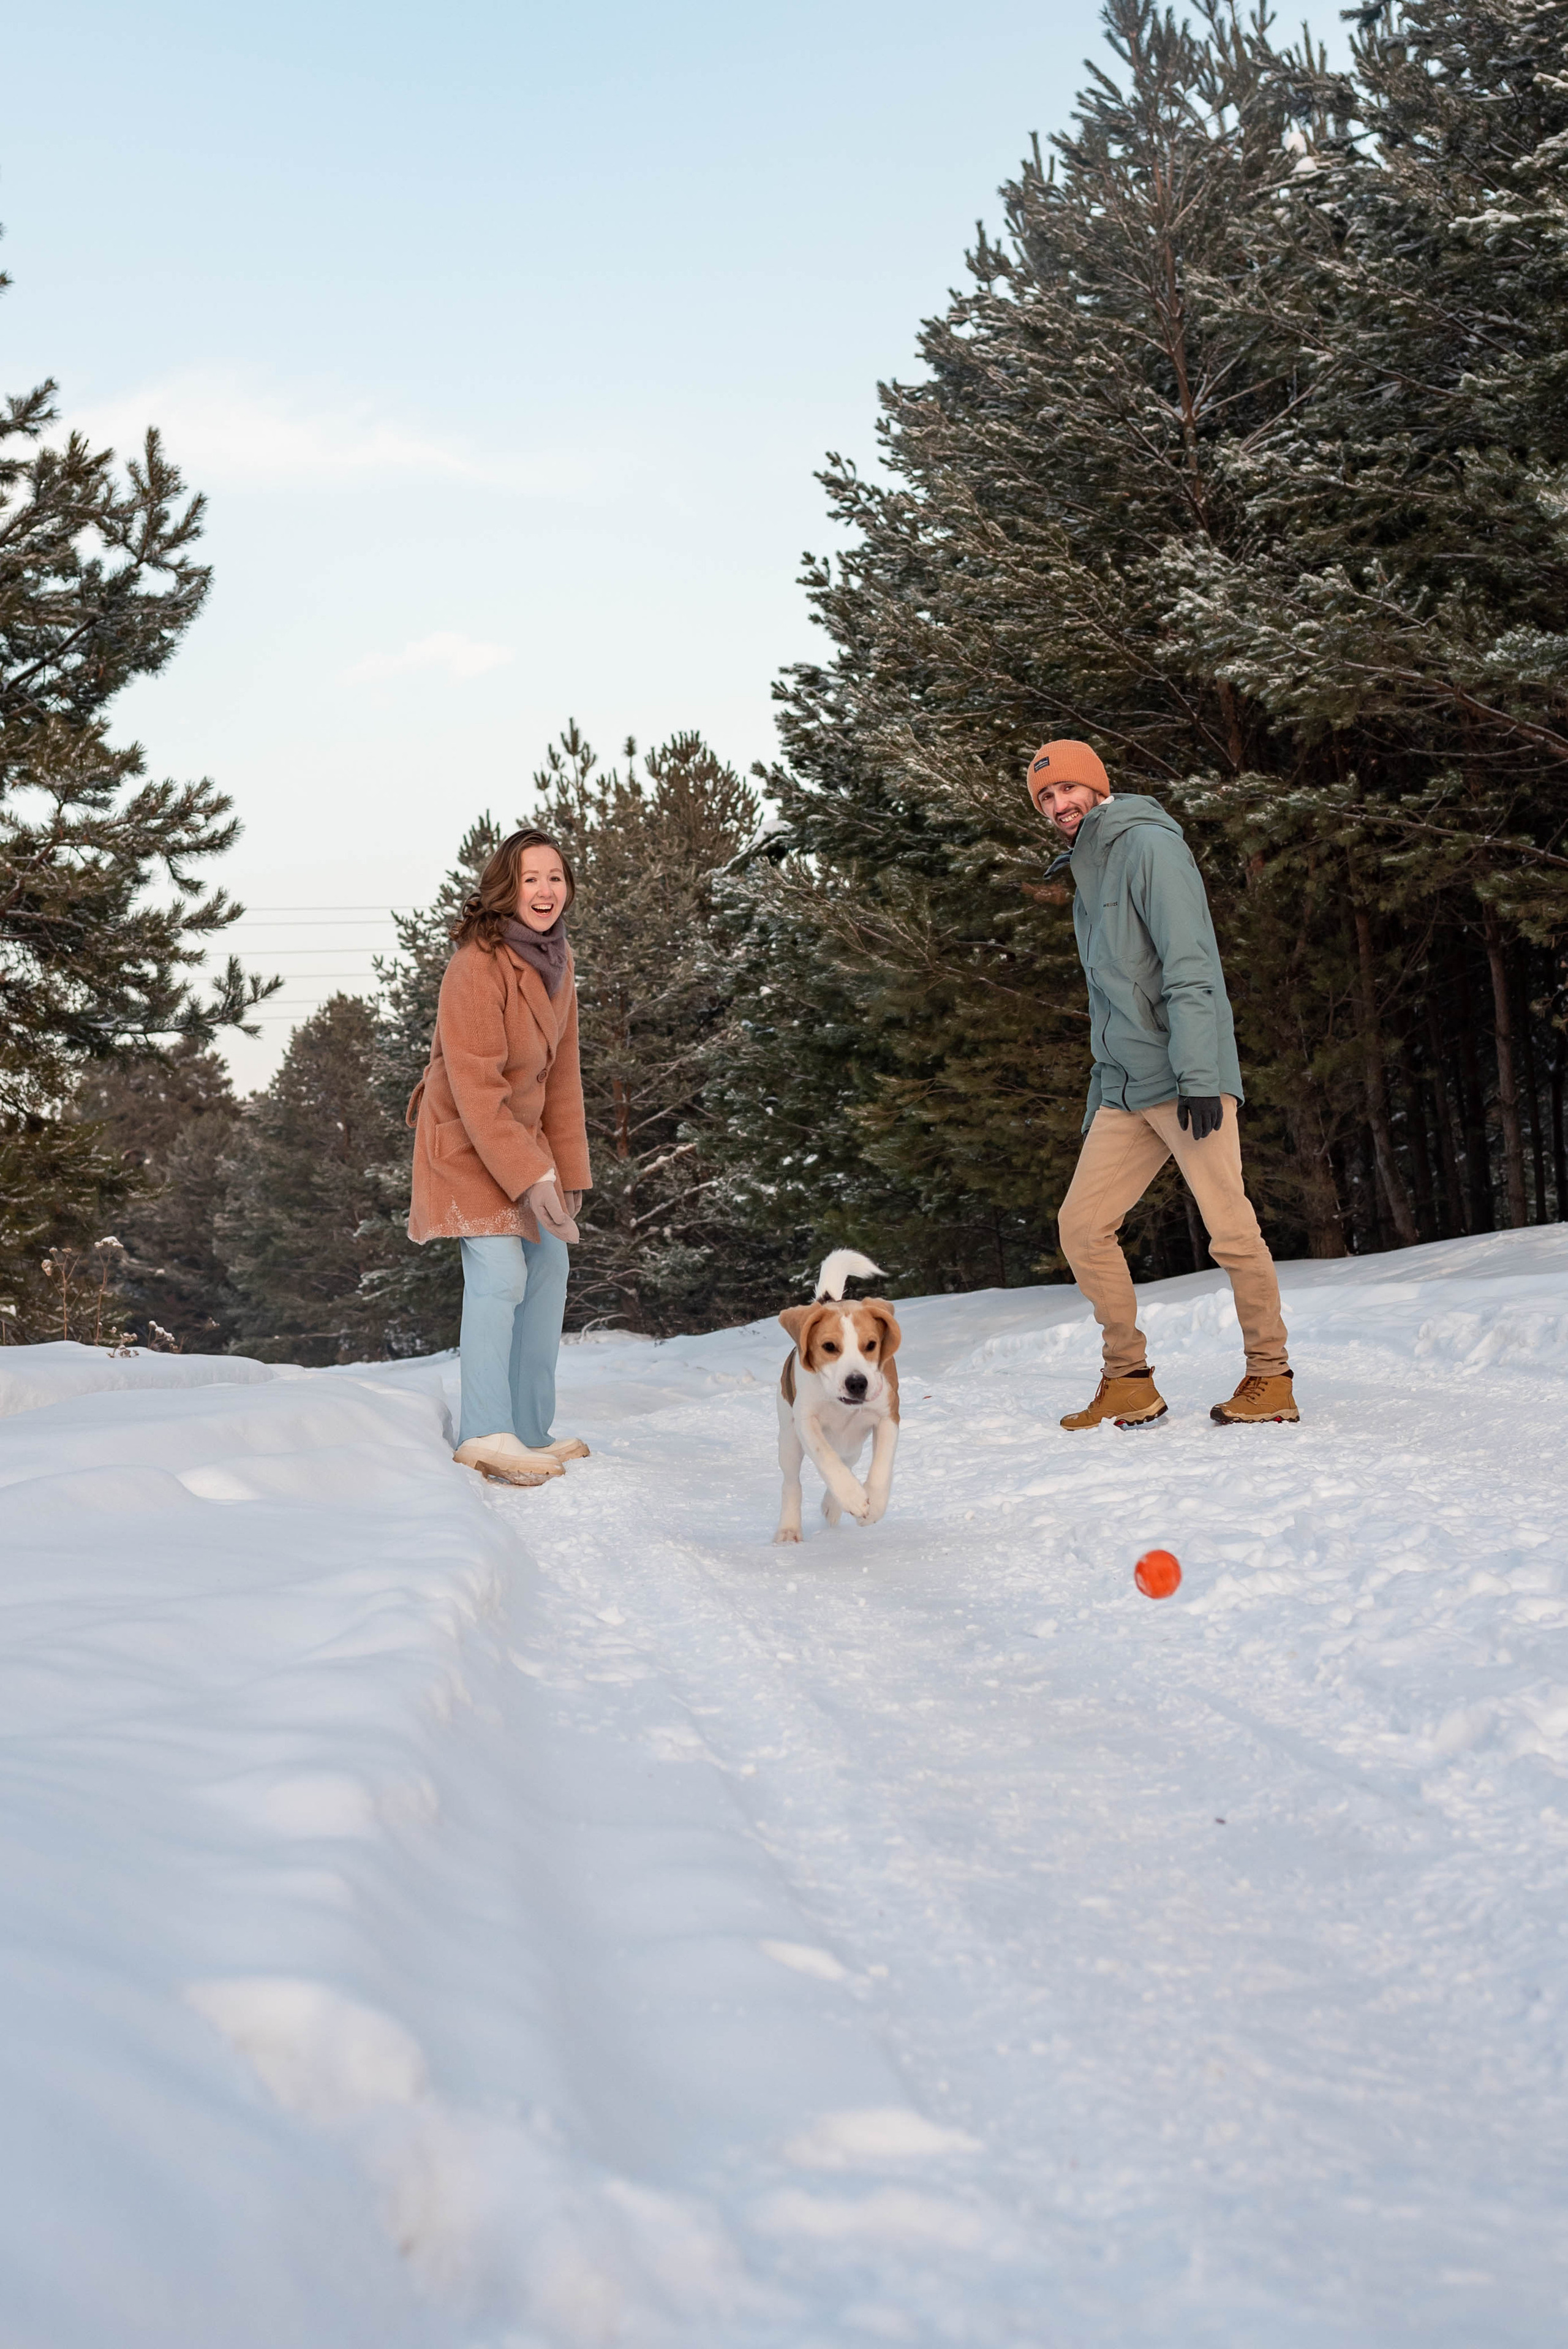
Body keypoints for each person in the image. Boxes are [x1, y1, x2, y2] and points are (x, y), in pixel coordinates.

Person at [1027, 740, 1298, 1428]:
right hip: (1125, 1085)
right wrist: (1102, 1092)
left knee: (1230, 1229)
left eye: (1067, 791)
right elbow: (1109, 996)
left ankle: (1271, 1378)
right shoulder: (1086, 869)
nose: (1059, 805)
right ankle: (1128, 1378)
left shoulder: (1147, 847)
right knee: (1082, 1226)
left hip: (1184, 1077)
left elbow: (1190, 965)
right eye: (1045, 798)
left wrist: (1202, 1075)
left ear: (1095, 787)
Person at [405, 828, 594, 1486]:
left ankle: (529, 1430)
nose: (545, 891)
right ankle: (485, 1434)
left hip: (522, 1142)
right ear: (505, 888)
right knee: (499, 1274)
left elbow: (562, 1075)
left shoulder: (558, 962)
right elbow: (476, 1088)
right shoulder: (475, 965)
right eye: (530, 878)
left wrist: (565, 1172)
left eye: (555, 878)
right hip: (464, 1142)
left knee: (550, 1264)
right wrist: (531, 1173)